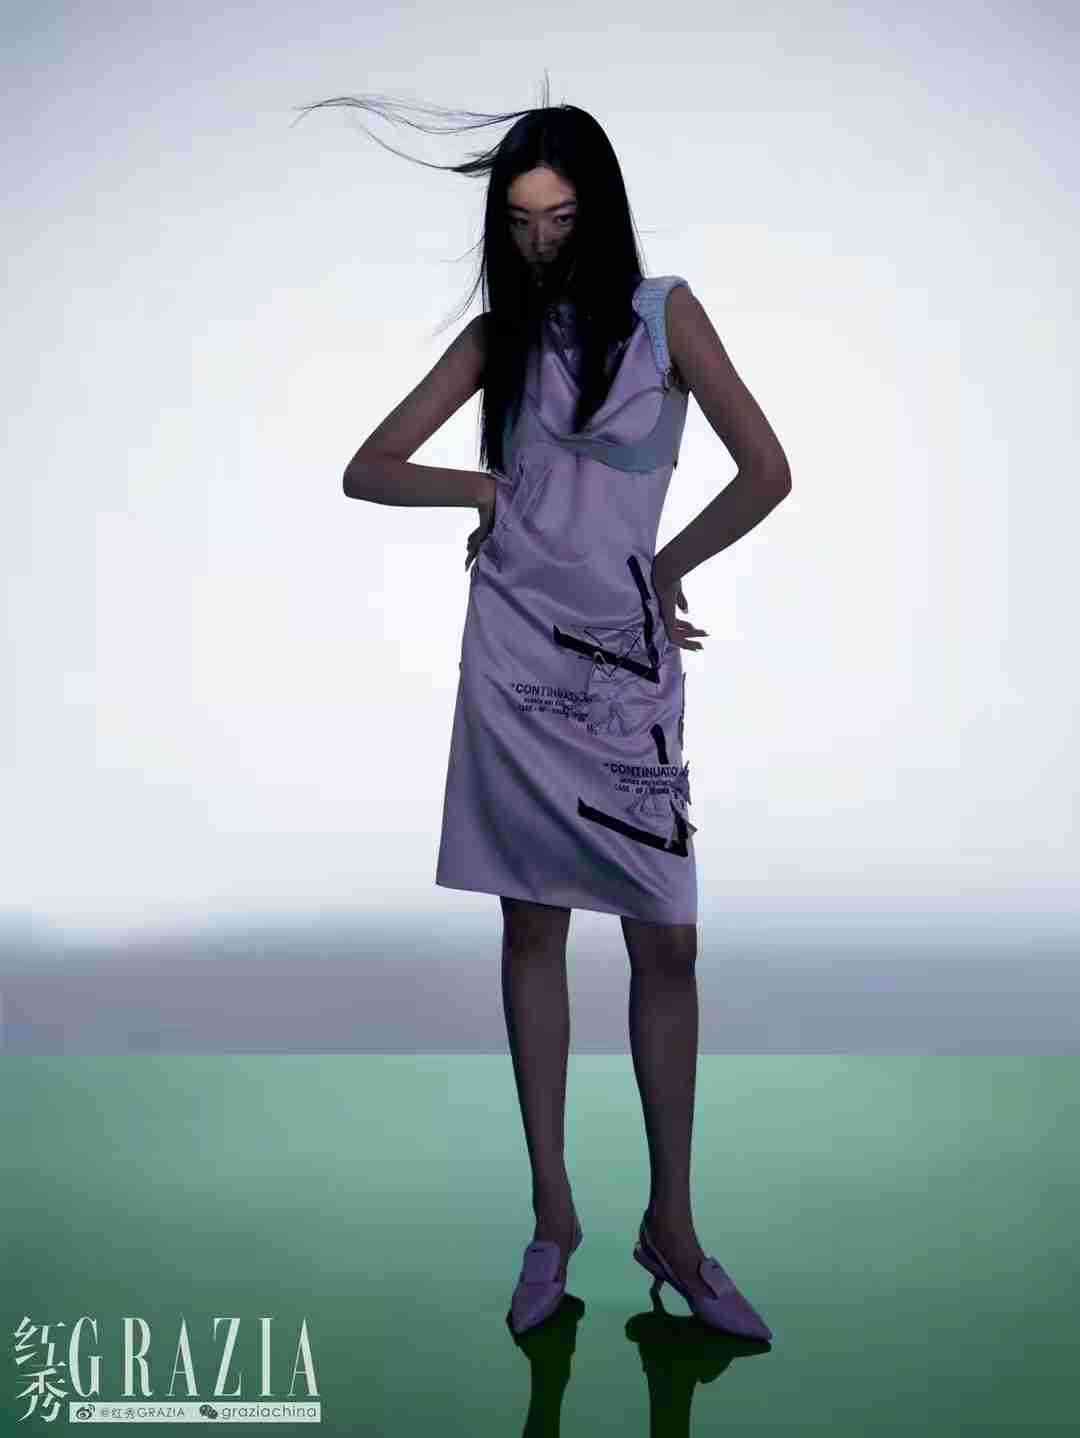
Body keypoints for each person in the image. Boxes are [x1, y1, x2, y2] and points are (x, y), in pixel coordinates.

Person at [296, 78, 791, 1339]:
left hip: (623, 663)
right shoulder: (495, 340)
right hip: (515, 652)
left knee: (667, 942)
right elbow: (365, 468)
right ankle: (553, 1216)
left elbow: (768, 470)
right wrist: (481, 489)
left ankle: (673, 1225)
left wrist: (664, 569)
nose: (538, 241)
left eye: (561, 217)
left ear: (600, 212)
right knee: (532, 930)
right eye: (519, 221)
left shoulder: (667, 316)